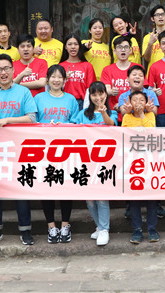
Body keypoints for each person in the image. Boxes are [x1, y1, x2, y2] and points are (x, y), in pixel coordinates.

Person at [0, 54, 38, 246]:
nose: (3, 72)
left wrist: (7, 120)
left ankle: (25, 230)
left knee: (21, 188)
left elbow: (31, 118)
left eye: (6, 68)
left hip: (19, 147)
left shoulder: (23, 92)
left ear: (13, 70)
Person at [34, 64, 79, 243]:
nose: (56, 80)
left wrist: (64, 126)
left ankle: (65, 225)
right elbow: (33, 122)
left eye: (60, 77)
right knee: (47, 188)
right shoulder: (39, 98)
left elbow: (76, 123)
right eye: (53, 76)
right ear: (47, 79)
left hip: (65, 150)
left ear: (65, 80)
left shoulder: (71, 99)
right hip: (44, 150)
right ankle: (51, 226)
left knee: (65, 188)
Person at [70, 81, 117, 246]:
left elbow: (111, 124)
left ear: (106, 94)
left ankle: (104, 229)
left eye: (101, 93)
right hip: (85, 160)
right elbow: (71, 128)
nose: (98, 97)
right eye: (94, 94)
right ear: (89, 96)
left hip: (105, 161)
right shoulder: (83, 113)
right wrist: (58, 125)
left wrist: (103, 113)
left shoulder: (112, 112)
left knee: (102, 197)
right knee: (89, 198)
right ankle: (99, 226)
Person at [123, 90, 159, 244]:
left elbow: (150, 131)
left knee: (151, 199)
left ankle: (152, 229)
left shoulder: (150, 115)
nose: (138, 103)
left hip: (149, 161)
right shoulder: (126, 117)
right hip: (132, 162)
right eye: (135, 100)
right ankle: (137, 230)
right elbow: (125, 135)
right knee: (134, 199)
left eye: (141, 100)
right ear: (129, 103)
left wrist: (142, 115)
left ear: (146, 103)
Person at [60, 33, 96, 107]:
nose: (73, 47)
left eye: (76, 44)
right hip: (64, 102)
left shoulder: (87, 66)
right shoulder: (60, 66)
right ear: (65, 47)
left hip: (82, 103)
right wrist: (64, 78)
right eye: (69, 44)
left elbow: (91, 88)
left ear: (79, 46)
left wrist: (87, 106)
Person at [101, 36, 135, 109]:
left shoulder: (137, 68)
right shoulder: (107, 70)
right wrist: (111, 91)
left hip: (134, 110)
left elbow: (141, 91)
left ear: (130, 51)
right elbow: (106, 89)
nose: (123, 50)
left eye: (126, 47)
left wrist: (122, 104)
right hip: (113, 111)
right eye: (119, 47)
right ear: (115, 51)